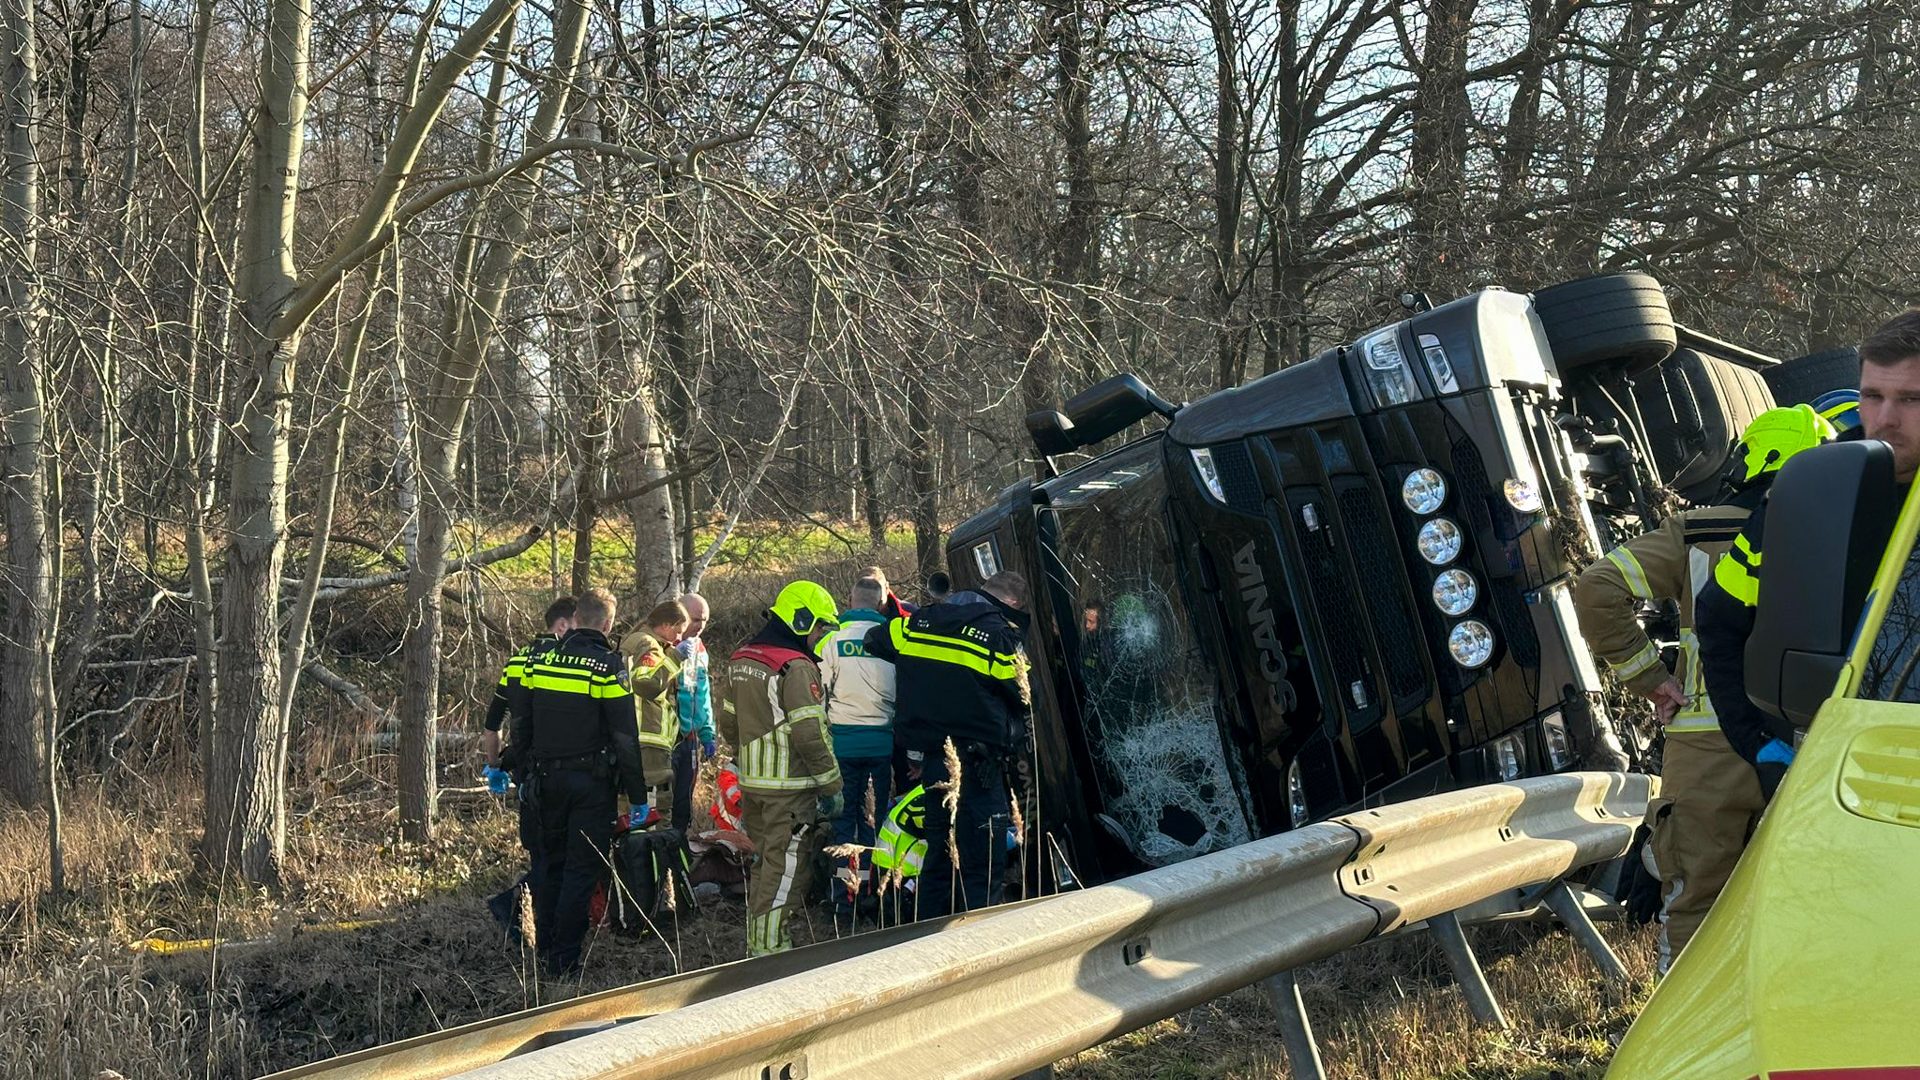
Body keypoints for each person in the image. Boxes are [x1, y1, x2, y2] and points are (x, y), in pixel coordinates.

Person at [1574, 405, 1830, 974]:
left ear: (1749, 460)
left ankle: (1680, 1040)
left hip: (1710, 743)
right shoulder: (1841, 533)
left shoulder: (1698, 530)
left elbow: (1597, 589)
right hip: (1817, 744)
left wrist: (1652, 679)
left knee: (1694, 901)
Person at [1700, 313, 1920, 800]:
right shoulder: (1811, 491)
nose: (1885, 418)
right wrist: (1759, 745)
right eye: (1872, 396)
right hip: (1837, 776)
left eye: (1911, 399)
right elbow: (1720, 619)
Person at [864, 569, 1030, 919]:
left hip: (933, 764)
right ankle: (977, 946)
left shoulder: (918, 623)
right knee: (983, 865)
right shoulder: (999, 636)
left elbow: (874, 639)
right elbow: (1024, 697)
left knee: (938, 858)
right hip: (981, 768)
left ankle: (926, 943)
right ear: (1011, 603)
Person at [500, 587, 648, 977]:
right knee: (581, 870)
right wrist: (637, 795)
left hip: (544, 781)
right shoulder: (607, 666)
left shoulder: (541, 661)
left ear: (576, 617)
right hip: (590, 785)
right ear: (609, 623)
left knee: (549, 864)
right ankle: (563, 962)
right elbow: (625, 737)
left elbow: (522, 722)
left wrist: (522, 769)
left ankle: (543, 944)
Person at [721, 580, 843, 955]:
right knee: (787, 869)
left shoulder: (743, 658)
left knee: (764, 866)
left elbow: (728, 723)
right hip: (789, 788)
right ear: (803, 621)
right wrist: (832, 786)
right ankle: (770, 950)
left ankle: (758, 941)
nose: (821, 637)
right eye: (820, 627)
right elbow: (810, 734)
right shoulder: (796, 667)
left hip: (753, 785)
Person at [480, 595, 574, 940]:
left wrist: (493, 767)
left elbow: (492, 724)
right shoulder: (566, 659)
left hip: (523, 772)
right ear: (563, 625)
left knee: (539, 849)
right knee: (559, 854)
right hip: (557, 769)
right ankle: (521, 912)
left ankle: (528, 920)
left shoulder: (518, 660)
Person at [817, 576, 898, 918]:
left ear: (850, 601)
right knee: (876, 820)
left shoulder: (832, 641)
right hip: (882, 743)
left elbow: (819, 695)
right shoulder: (895, 638)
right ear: (880, 604)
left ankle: (843, 896)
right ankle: (872, 892)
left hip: (844, 746)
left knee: (844, 821)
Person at [620, 599, 691, 826]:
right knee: (657, 812)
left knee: (630, 810)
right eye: (678, 632)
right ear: (667, 625)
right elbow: (646, 684)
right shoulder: (648, 645)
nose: (679, 639)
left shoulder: (635, 640)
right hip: (647, 743)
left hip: (635, 738)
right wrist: (675, 658)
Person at [671, 593, 718, 831]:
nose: (700, 626)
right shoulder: (664, 645)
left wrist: (708, 733)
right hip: (668, 738)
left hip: (690, 737)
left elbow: (703, 693)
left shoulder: (700, 649)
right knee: (661, 803)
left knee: (684, 802)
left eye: (705, 621)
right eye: (696, 619)